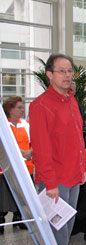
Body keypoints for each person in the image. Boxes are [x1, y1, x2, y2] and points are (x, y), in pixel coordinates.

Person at [29, 54, 86, 245]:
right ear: (49, 75)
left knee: (67, 228)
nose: (67, 75)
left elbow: (78, 138)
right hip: (55, 181)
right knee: (57, 231)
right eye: (61, 71)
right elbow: (41, 149)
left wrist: (83, 167)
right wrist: (49, 183)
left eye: (69, 71)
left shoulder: (71, 100)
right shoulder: (40, 106)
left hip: (74, 175)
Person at [0, 96, 33, 234]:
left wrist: (29, 152)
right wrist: (20, 152)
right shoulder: (3, 126)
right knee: (4, 196)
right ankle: (1, 218)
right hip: (7, 168)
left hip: (26, 167)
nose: (22, 110)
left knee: (24, 195)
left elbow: (35, 141)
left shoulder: (25, 124)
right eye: (19, 107)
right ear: (10, 110)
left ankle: (20, 217)